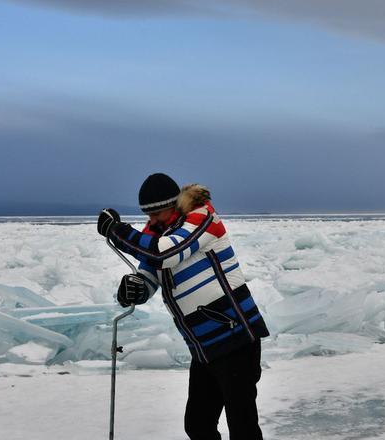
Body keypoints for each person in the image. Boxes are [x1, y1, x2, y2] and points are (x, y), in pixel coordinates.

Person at [97, 173, 269, 440]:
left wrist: (117, 231)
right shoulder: (158, 231)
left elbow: (163, 253)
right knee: (198, 425)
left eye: (157, 214)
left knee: (242, 426)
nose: (151, 221)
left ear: (174, 205)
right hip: (203, 347)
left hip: (236, 339)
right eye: (147, 215)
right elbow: (151, 271)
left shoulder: (203, 218)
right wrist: (135, 288)